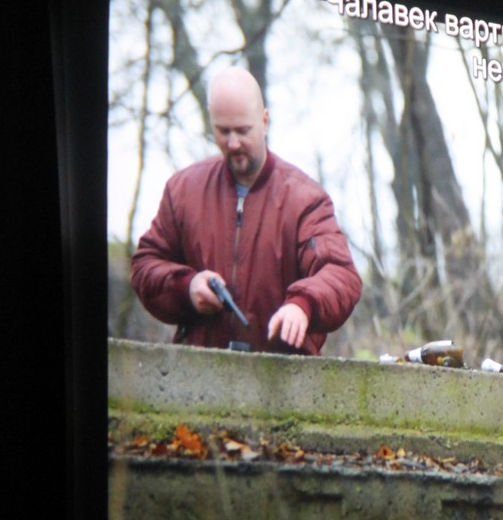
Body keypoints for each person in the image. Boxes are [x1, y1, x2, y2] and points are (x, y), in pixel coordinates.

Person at [130, 66, 362, 354]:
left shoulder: (305, 199)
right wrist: (186, 287)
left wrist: (302, 305)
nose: (233, 142)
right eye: (223, 131)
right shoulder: (182, 191)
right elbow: (145, 265)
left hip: (282, 383)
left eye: (243, 130)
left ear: (265, 121)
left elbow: (342, 275)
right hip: (199, 376)